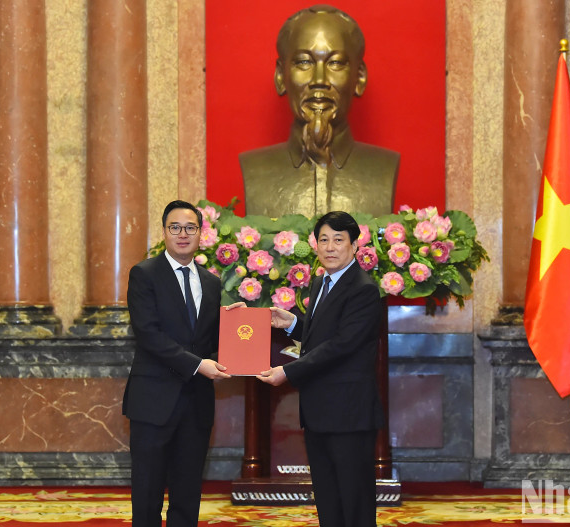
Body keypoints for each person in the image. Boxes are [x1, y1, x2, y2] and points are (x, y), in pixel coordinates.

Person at [260, 211, 384, 527]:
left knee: (353, 502)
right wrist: (291, 323)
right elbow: (321, 335)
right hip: (319, 411)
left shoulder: (363, 289)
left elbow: (342, 344)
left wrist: (288, 372)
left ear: (355, 246)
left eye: (338, 240)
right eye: (323, 239)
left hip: (349, 413)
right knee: (329, 501)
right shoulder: (320, 282)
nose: (329, 247)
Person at [123, 200, 232, 527]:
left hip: (196, 404)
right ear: (164, 232)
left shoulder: (211, 283)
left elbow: (209, 339)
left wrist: (237, 325)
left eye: (190, 228)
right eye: (175, 228)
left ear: (201, 233)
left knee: (187, 493)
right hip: (153, 402)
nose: (183, 234)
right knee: (147, 492)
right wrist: (199, 365)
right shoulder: (144, 274)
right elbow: (148, 335)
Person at [240, 4, 399, 217]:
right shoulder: (255, 169)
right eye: (304, 62)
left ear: (359, 77)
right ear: (280, 76)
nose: (319, 80)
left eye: (335, 63)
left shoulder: (384, 168)